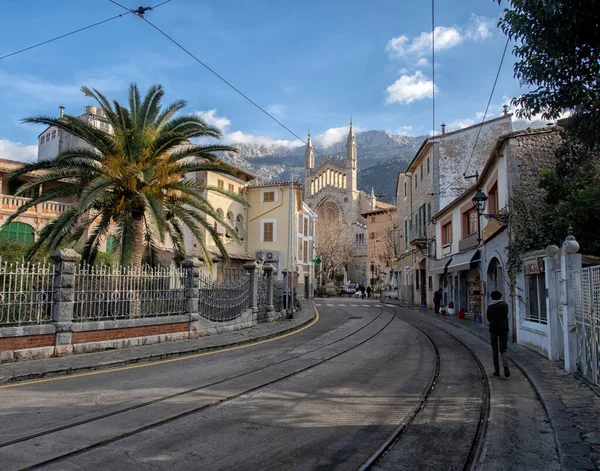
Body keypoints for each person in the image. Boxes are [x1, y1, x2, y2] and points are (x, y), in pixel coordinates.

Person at [487, 290, 510, 378]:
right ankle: (505, 365)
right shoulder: (504, 305)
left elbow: (488, 318)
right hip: (503, 328)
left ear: (492, 297)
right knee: (503, 349)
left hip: (493, 329)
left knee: (494, 349)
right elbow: (505, 315)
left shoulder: (490, 307)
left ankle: (497, 371)